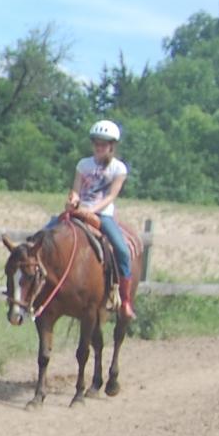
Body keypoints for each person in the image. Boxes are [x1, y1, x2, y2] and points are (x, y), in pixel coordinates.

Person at [54, 120, 134, 318]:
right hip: (79, 211)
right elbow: (77, 189)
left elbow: (110, 196)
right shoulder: (83, 164)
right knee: (45, 235)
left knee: (122, 251)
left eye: (104, 144)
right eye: (96, 143)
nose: (99, 147)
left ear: (112, 146)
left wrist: (91, 211)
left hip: (103, 214)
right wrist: (73, 200)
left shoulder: (119, 168)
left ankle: (124, 300)